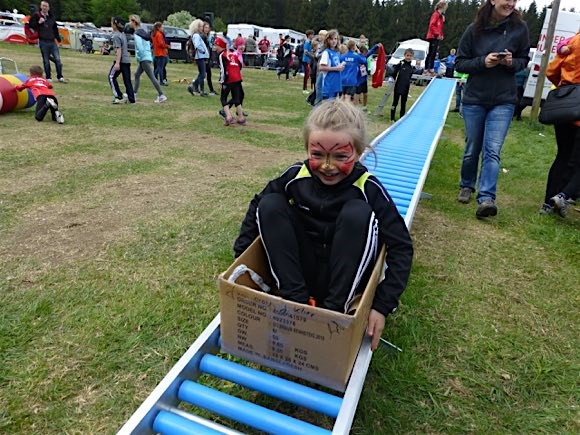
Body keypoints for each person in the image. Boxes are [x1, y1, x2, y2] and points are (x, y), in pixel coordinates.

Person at [233, 99, 413, 352]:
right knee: (271, 204)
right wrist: (241, 255)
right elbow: (258, 204)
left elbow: (401, 246)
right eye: (317, 155)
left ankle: (332, 314)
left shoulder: (368, 188)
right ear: (307, 148)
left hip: (343, 280)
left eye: (340, 156)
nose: (328, 166)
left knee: (357, 213)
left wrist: (382, 305)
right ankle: (295, 302)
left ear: (359, 152)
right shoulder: (296, 176)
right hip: (300, 276)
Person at [455, 0, 529, 219]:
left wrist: (510, 63)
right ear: (493, 0)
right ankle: (467, 184)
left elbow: (524, 59)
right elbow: (459, 63)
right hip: (474, 99)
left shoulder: (520, 28)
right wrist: (482, 62)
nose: (510, 3)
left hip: (504, 100)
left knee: (492, 150)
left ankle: (486, 198)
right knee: (472, 148)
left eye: (514, 0)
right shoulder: (473, 29)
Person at [539, 32, 580, 217]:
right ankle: (563, 196)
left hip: (566, 104)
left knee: (562, 155)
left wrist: (567, 85)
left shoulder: (572, 41)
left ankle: (548, 203)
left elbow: (551, 71)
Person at [129, 15, 167, 103]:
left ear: (134, 22)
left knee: (152, 76)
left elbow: (140, 47)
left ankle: (161, 94)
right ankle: (134, 93)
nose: (130, 23)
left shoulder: (137, 34)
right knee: (137, 74)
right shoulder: (143, 32)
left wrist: (138, 57)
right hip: (147, 57)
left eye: (131, 21)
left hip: (143, 58)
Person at [28, 1, 64, 83]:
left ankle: (60, 76)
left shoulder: (51, 17)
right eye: (43, 6)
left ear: (48, 7)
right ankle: (48, 77)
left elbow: (55, 29)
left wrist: (58, 39)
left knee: (57, 59)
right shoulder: (36, 16)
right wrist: (38, 23)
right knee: (46, 60)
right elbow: (31, 26)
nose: (44, 7)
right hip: (43, 41)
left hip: (52, 41)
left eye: (46, 6)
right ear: (41, 6)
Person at [214, 36, 246, 126]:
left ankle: (228, 117)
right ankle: (241, 118)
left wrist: (221, 81)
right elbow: (239, 65)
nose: (214, 48)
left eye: (215, 45)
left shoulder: (222, 55)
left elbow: (223, 69)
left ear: (220, 46)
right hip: (237, 78)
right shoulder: (232, 53)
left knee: (223, 98)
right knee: (236, 98)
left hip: (229, 79)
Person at [108, 16, 135, 104]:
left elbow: (119, 50)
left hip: (121, 61)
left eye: (112, 23)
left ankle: (118, 96)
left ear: (115, 24)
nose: (111, 25)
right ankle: (131, 98)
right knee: (127, 80)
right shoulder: (122, 34)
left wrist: (117, 63)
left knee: (111, 77)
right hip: (127, 60)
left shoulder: (116, 35)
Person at [319, 29, 345, 101]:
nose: (334, 41)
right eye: (331, 39)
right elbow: (321, 67)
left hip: (336, 84)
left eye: (335, 39)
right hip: (329, 84)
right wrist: (336, 68)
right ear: (327, 40)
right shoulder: (326, 53)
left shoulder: (337, 53)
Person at [391, 48, 416, 121]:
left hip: (406, 87)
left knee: (403, 103)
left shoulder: (411, 67)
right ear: (404, 55)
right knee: (395, 102)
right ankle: (392, 118)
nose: (408, 57)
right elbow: (393, 72)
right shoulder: (401, 64)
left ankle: (401, 118)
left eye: (410, 56)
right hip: (398, 86)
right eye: (407, 55)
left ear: (412, 57)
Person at [187, 19, 210, 97]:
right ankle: (196, 87)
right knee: (203, 74)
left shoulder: (196, 35)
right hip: (200, 56)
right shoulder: (196, 35)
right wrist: (203, 50)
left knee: (202, 74)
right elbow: (197, 45)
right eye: (200, 26)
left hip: (201, 56)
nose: (201, 28)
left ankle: (195, 87)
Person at [425, 1, 448, 76]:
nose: (446, 9)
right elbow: (432, 25)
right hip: (432, 36)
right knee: (431, 53)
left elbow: (440, 27)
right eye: (445, 7)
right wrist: (437, 34)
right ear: (442, 7)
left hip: (436, 37)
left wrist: (441, 35)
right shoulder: (435, 15)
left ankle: (431, 69)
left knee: (434, 53)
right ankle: (426, 69)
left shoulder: (440, 16)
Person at [201, 21, 217, 95]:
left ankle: (210, 89)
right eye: (205, 27)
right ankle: (201, 89)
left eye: (208, 28)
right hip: (204, 58)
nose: (207, 29)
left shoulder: (208, 37)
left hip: (208, 57)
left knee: (208, 74)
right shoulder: (202, 36)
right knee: (203, 74)